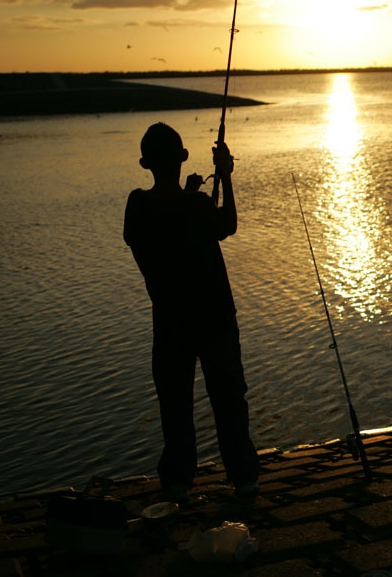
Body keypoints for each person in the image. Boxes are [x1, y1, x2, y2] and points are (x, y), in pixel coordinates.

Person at [123, 122, 259, 502]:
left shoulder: (137, 207)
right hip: (215, 318)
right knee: (229, 398)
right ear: (183, 157)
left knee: (175, 402)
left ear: (144, 163)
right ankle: (244, 477)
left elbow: (166, 224)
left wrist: (189, 196)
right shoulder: (196, 205)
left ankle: (178, 481)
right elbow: (226, 225)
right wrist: (226, 177)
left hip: (170, 321)